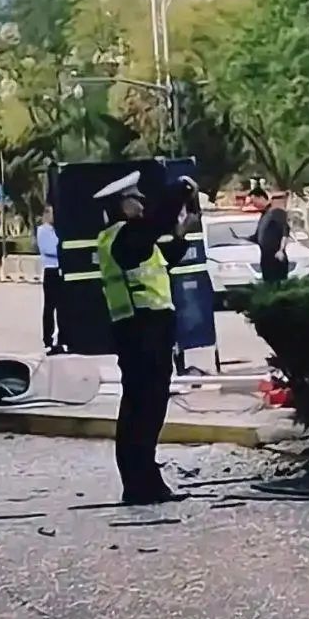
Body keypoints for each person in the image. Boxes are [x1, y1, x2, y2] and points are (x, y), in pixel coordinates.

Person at [94, 169, 197, 505]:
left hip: (147, 329)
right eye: (135, 199)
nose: (141, 204)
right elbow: (153, 223)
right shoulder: (123, 237)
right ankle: (140, 485)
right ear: (121, 204)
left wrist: (180, 234)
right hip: (140, 330)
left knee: (147, 408)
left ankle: (146, 481)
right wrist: (179, 191)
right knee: (143, 409)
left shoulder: (130, 239)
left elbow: (162, 260)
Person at [36, 205, 65, 355]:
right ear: (46, 215)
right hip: (51, 270)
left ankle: (62, 338)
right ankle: (47, 338)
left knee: (63, 307)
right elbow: (49, 250)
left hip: (62, 270)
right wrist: (63, 250)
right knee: (49, 307)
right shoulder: (42, 231)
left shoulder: (59, 229)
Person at [256, 187, 290, 282]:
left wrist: (281, 250)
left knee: (278, 281)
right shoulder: (267, 214)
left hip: (276, 256)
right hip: (266, 256)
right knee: (268, 281)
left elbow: (285, 234)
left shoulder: (280, 214)